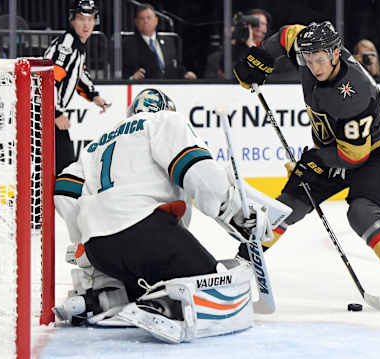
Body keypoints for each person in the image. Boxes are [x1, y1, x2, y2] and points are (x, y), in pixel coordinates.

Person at [232, 21, 380, 308]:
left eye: (320, 60)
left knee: (361, 213)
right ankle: (241, 264)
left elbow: (354, 156)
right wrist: (262, 56)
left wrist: (316, 161)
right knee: (288, 206)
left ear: (335, 54)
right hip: (336, 149)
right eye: (308, 61)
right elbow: (287, 35)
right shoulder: (310, 50)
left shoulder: (353, 93)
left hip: (375, 154)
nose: (314, 67)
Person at [53, 88, 289, 343]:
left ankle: (101, 299)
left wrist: (82, 242)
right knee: (214, 285)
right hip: (147, 234)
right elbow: (195, 169)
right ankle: (165, 304)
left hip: (100, 250)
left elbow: (64, 189)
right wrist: (231, 210)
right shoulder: (165, 120)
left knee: (141, 277)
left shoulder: (97, 144)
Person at [43, 0, 109, 174]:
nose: (86, 24)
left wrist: (94, 95)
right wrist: (55, 113)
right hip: (45, 114)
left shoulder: (77, 44)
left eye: (90, 19)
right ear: (72, 20)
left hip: (47, 113)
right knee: (64, 167)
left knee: (61, 166)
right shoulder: (67, 45)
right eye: (81, 19)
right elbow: (48, 81)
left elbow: (79, 74)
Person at [123, 4, 196, 80]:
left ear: (156, 21)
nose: (146, 21)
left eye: (149, 18)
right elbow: (123, 72)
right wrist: (132, 78)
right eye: (142, 18)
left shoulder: (169, 42)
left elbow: (175, 66)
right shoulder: (129, 44)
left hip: (171, 87)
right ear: (136, 22)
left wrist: (185, 74)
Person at [204, 9, 270, 79]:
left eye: (262, 23)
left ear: (266, 28)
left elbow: (269, 78)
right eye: (254, 23)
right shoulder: (217, 58)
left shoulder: (271, 51)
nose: (258, 26)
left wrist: (251, 46)